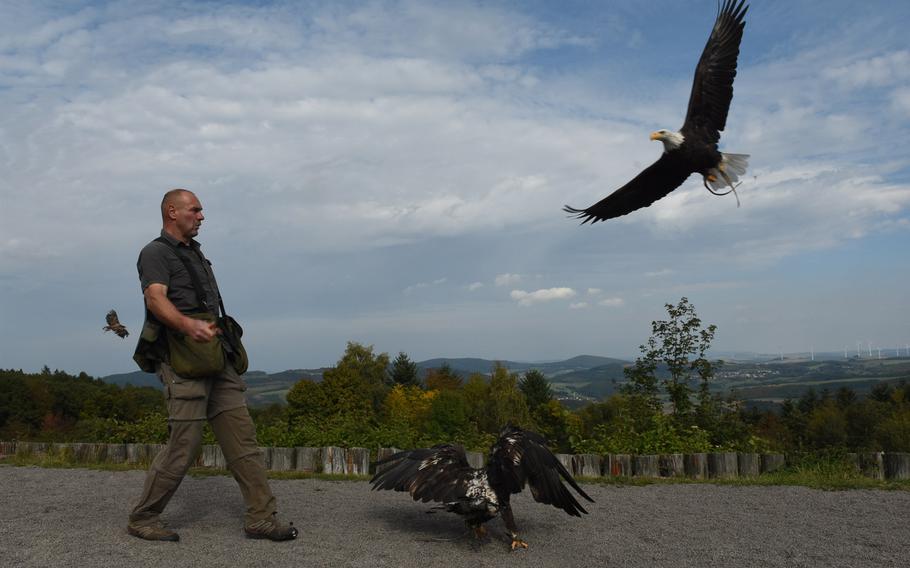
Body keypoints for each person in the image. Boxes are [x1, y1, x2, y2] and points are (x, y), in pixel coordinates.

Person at [127, 188, 297, 542]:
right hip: (182, 359)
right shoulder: (155, 253)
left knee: (243, 441)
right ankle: (143, 518)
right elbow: (155, 299)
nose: (202, 216)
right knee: (183, 447)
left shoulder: (197, 254)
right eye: (195, 210)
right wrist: (188, 325)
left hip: (217, 358)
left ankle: (261, 518)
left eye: (201, 211)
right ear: (172, 212)